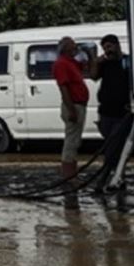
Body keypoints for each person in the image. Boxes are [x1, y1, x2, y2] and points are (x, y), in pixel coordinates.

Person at [52, 36, 91, 179]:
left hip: (79, 105)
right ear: (66, 48)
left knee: (75, 141)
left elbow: (87, 68)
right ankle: (68, 174)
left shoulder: (71, 62)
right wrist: (71, 110)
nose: (76, 48)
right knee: (71, 141)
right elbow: (64, 88)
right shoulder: (61, 64)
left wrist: (89, 54)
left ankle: (71, 172)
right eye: (73, 46)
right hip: (73, 105)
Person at [92, 34, 132, 145]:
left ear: (117, 45)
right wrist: (96, 63)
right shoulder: (105, 64)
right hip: (106, 111)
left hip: (122, 111)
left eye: (109, 47)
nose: (107, 51)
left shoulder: (127, 62)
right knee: (109, 140)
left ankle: (112, 162)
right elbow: (94, 77)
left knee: (118, 140)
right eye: (105, 48)